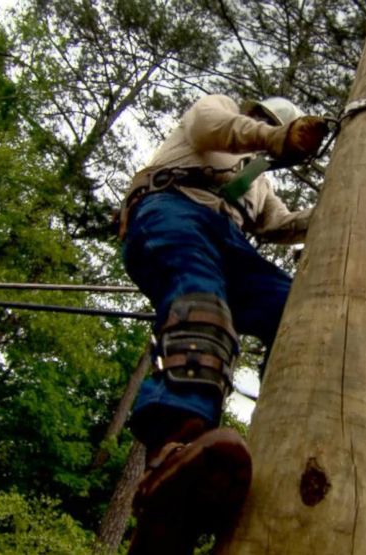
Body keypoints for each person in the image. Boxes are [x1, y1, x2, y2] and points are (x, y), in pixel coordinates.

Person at [118, 94, 329, 553]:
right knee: (200, 299)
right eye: (259, 123)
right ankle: (174, 445)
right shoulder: (217, 115)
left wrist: (340, 206)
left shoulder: (256, 183)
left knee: (300, 312)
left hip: (228, 239)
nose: (256, 130)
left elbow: (279, 225)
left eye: (267, 127)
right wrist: (277, 138)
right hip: (172, 210)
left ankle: (277, 444)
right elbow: (211, 126)